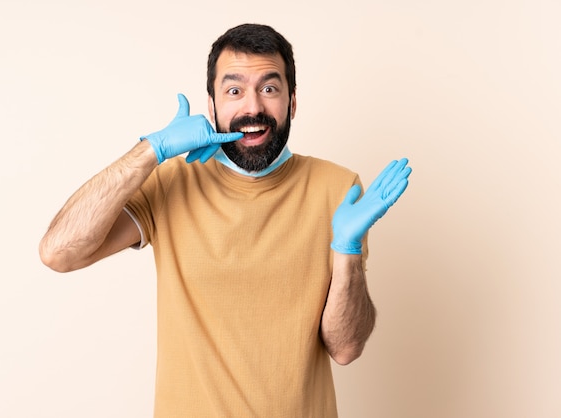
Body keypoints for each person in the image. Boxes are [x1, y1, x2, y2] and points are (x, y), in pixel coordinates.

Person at [39, 23, 411, 417]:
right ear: (212, 105)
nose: (252, 108)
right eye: (234, 91)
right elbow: (59, 252)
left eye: (269, 89)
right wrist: (152, 150)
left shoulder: (338, 189)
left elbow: (346, 348)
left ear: (293, 102)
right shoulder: (172, 181)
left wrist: (347, 250)